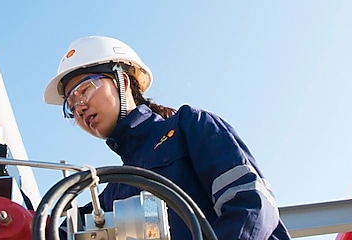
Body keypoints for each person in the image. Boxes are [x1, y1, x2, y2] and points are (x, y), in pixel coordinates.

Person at [43, 36, 291, 239]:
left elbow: (252, 204)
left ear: (123, 81)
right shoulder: (111, 192)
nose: (80, 107)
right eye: (71, 105)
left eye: (84, 90)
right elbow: (56, 230)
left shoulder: (189, 126)